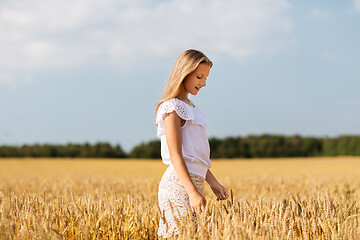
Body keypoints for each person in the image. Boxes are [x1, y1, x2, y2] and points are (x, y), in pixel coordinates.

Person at [155, 49, 229, 238]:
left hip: (195, 185)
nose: (203, 83)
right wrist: (191, 192)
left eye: (206, 78)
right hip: (179, 186)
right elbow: (176, 155)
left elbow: (196, 157)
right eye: (199, 77)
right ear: (185, 72)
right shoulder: (172, 107)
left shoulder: (192, 108)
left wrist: (213, 183)